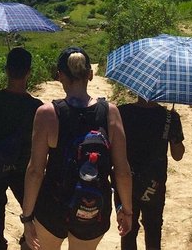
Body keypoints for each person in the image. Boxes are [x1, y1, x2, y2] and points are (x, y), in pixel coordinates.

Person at [21, 46, 133, 250]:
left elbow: (35, 171)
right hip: (92, 207)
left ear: (60, 75)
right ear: (90, 74)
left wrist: (27, 217)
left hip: (53, 206)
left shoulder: (47, 113)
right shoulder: (110, 113)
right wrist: (126, 210)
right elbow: (123, 171)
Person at [0, 47, 43, 250]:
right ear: (29, 72)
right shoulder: (36, 106)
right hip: (23, 166)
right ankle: (26, 241)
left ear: (6, 70)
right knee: (30, 207)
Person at [118, 96, 185, 250]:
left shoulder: (122, 113)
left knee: (127, 229)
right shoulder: (169, 117)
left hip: (126, 182)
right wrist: (175, 128)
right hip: (154, 184)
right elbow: (178, 155)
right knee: (153, 230)